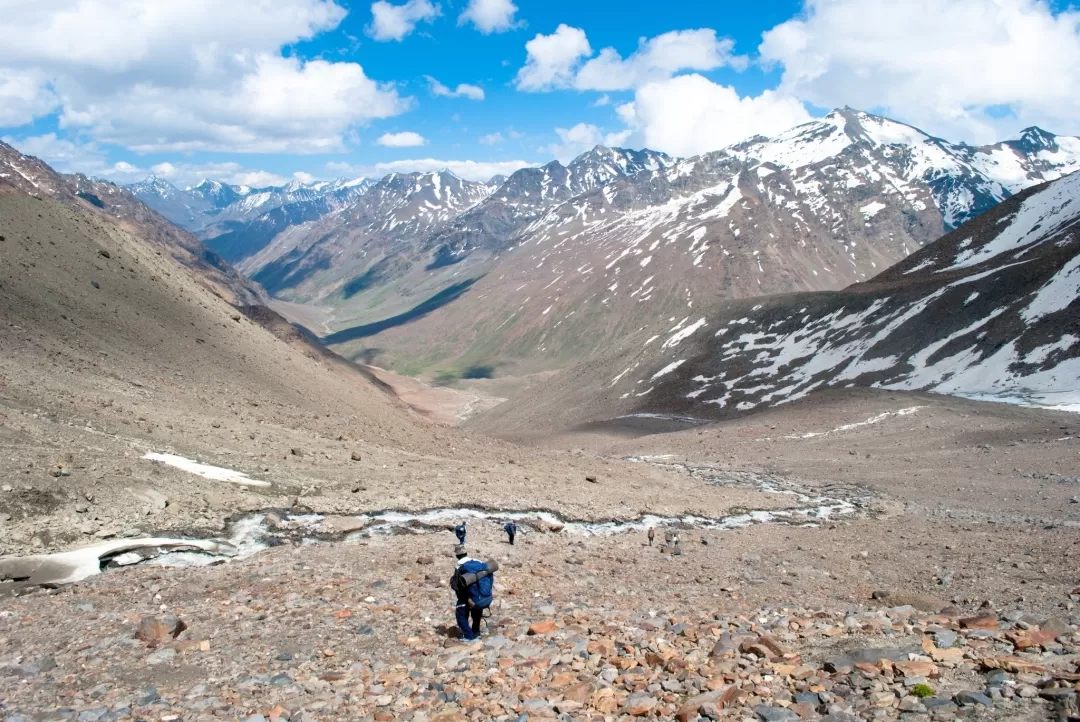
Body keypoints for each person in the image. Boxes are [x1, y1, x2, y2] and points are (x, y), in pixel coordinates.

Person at [450, 545, 498, 640]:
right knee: (476, 614)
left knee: (461, 616)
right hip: (482, 595)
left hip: (468, 596)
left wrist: (465, 597)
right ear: (466, 553)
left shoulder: (460, 566)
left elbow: (458, 585)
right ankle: (476, 632)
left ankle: (469, 637)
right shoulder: (478, 562)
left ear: (457, 556)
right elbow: (490, 577)